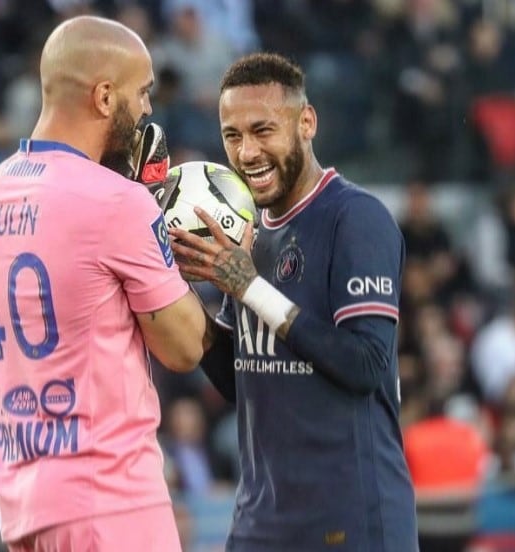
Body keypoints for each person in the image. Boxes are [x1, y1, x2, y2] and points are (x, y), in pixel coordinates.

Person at [0, 15, 207, 552]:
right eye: (142, 93)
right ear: (104, 96)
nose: (147, 112)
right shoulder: (117, 201)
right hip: (110, 500)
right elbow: (185, 348)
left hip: (22, 501)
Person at [170, 52, 419, 551]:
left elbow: (366, 364)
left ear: (306, 122)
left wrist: (250, 288)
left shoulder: (356, 218)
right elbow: (243, 380)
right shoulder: (248, 234)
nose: (246, 153)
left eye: (263, 130)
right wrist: (175, 283)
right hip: (261, 523)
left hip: (349, 523)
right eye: (233, 135)